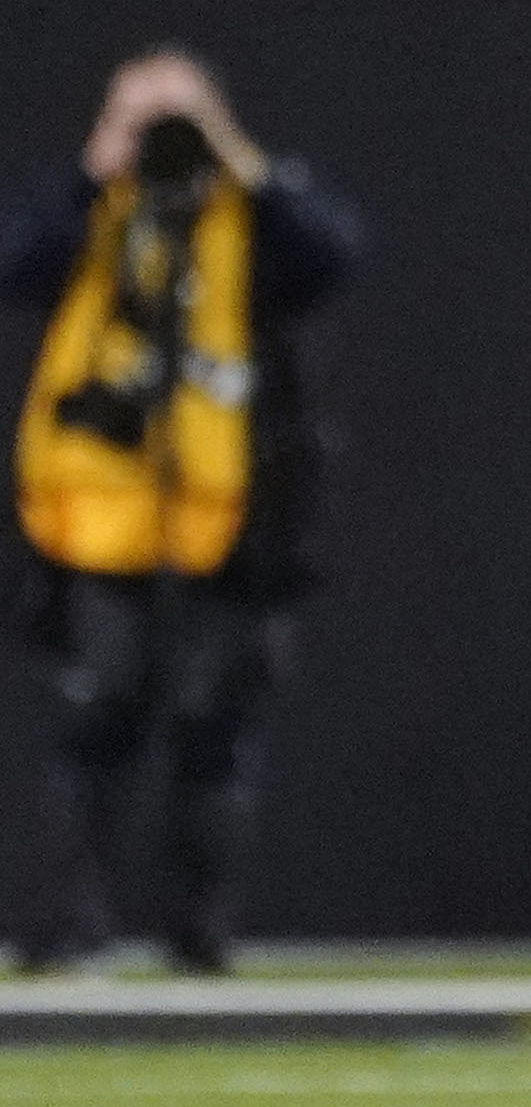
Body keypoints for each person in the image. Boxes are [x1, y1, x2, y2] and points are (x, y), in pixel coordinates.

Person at [8, 52, 361, 976]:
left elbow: (333, 255)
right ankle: (68, 933)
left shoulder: (252, 216)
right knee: (96, 721)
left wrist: (231, 153)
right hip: (100, 526)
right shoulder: (94, 213)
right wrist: (101, 163)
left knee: (214, 727)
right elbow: (19, 262)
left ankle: (199, 937)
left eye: (181, 119)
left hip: (231, 528)